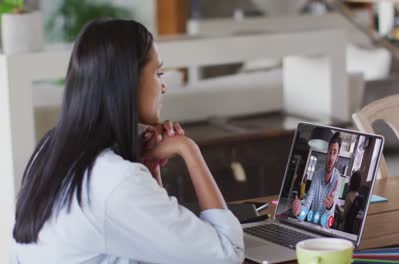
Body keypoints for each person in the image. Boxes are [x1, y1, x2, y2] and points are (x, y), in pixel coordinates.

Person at [12, 19, 244, 264]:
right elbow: (227, 253)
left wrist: (150, 168)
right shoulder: (115, 179)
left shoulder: (51, 149)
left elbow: (158, 246)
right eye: (158, 73)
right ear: (127, 82)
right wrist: (189, 149)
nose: (163, 86)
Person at [291, 132, 342, 219]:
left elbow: (328, 221)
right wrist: (299, 212)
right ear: (327, 154)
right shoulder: (317, 175)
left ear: (337, 157)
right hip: (310, 226)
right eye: (330, 152)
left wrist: (330, 207)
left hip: (324, 230)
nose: (331, 157)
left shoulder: (337, 179)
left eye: (334, 153)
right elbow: (306, 207)